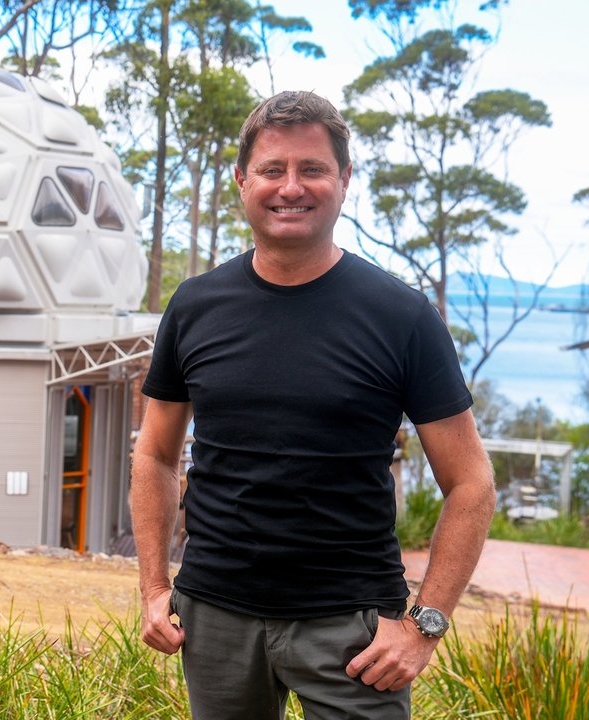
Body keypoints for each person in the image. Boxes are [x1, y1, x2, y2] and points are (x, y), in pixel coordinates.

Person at [130, 90, 496, 720]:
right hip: (214, 617)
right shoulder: (194, 305)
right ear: (243, 181)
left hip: (352, 631)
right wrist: (155, 588)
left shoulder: (401, 315)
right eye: (272, 170)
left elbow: (471, 483)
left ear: (344, 181)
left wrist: (423, 626)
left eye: (313, 169)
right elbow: (156, 455)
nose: (290, 187)